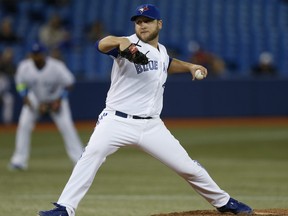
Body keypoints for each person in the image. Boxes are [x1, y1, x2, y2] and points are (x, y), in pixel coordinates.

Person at [39, 4, 253, 216]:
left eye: (147, 21)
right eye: (138, 22)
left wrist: (189, 66)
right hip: (116, 121)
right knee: (91, 155)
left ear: (159, 24)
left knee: (187, 167)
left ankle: (224, 202)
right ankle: (65, 208)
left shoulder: (161, 51)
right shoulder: (127, 45)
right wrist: (119, 41)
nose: (142, 25)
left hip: (151, 125)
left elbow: (166, 63)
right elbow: (101, 45)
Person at [8, 42, 84, 171]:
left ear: (44, 55)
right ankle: (19, 161)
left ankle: (79, 160)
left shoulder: (56, 66)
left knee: (67, 127)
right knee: (23, 126)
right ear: (31, 55)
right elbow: (20, 83)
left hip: (56, 99)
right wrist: (24, 96)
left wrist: (59, 100)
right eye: (34, 54)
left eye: (38, 54)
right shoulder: (24, 67)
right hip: (35, 99)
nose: (36, 57)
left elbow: (69, 83)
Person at [0, 47, 15, 125]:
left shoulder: (8, 65)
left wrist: (7, 61)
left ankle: (7, 125)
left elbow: (13, 72)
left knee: (9, 99)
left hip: (3, 93)